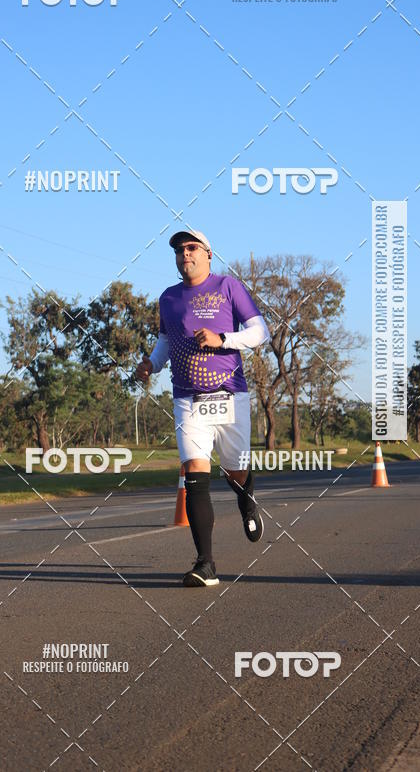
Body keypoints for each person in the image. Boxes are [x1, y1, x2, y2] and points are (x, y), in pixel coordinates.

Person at [135, 230, 270, 587]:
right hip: (187, 399)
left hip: (229, 395)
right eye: (179, 250)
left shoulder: (228, 287)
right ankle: (205, 564)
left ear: (208, 254)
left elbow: (260, 332)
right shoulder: (168, 298)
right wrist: (151, 364)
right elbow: (165, 341)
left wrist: (222, 339)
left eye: (192, 248)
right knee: (194, 471)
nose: (185, 254)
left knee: (233, 471)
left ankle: (246, 500)